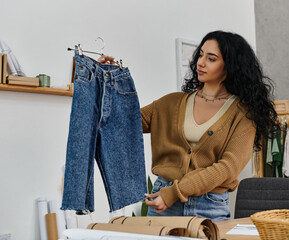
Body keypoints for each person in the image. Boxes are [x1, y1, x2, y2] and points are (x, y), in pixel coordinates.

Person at [98, 30, 277, 222]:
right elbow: (121, 122)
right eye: (200, 55)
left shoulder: (243, 114)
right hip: (162, 204)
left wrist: (175, 192)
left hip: (209, 207)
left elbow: (228, 168)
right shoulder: (171, 103)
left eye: (211, 58)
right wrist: (108, 79)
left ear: (230, 66)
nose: (200, 62)